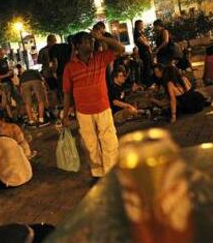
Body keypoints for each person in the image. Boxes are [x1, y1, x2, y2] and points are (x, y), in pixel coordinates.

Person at [62, 31, 125, 179]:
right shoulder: (70, 67)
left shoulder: (100, 58)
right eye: (86, 41)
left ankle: (111, 173)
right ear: (77, 46)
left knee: (109, 140)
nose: (91, 43)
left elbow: (120, 48)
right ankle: (97, 173)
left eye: (91, 40)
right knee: (90, 145)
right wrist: (65, 116)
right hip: (83, 111)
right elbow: (67, 94)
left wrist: (102, 37)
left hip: (102, 107)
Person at [0, 48, 22, 119]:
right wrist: (7, 75)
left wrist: (11, 72)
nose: (3, 54)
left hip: (10, 81)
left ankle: (17, 115)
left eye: (3, 53)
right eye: (1, 53)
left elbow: (8, 71)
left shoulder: (5, 61)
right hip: (4, 83)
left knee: (19, 99)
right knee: (8, 102)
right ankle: (11, 117)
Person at [38, 35, 59, 107]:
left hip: (54, 72)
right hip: (49, 73)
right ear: (49, 41)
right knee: (54, 90)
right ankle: (57, 105)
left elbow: (39, 61)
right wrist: (47, 62)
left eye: (55, 41)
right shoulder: (44, 50)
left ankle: (58, 105)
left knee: (56, 90)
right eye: (54, 41)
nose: (55, 42)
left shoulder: (56, 48)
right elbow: (39, 61)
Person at [134, 20, 153, 86]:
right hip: (143, 52)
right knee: (147, 67)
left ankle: (149, 82)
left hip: (145, 51)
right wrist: (147, 43)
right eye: (141, 24)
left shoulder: (140, 32)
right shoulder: (136, 33)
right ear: (137, 25)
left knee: (148, 67)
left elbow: (146, 41)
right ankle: (148, 83)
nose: (143, 25)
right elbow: (144, 43)